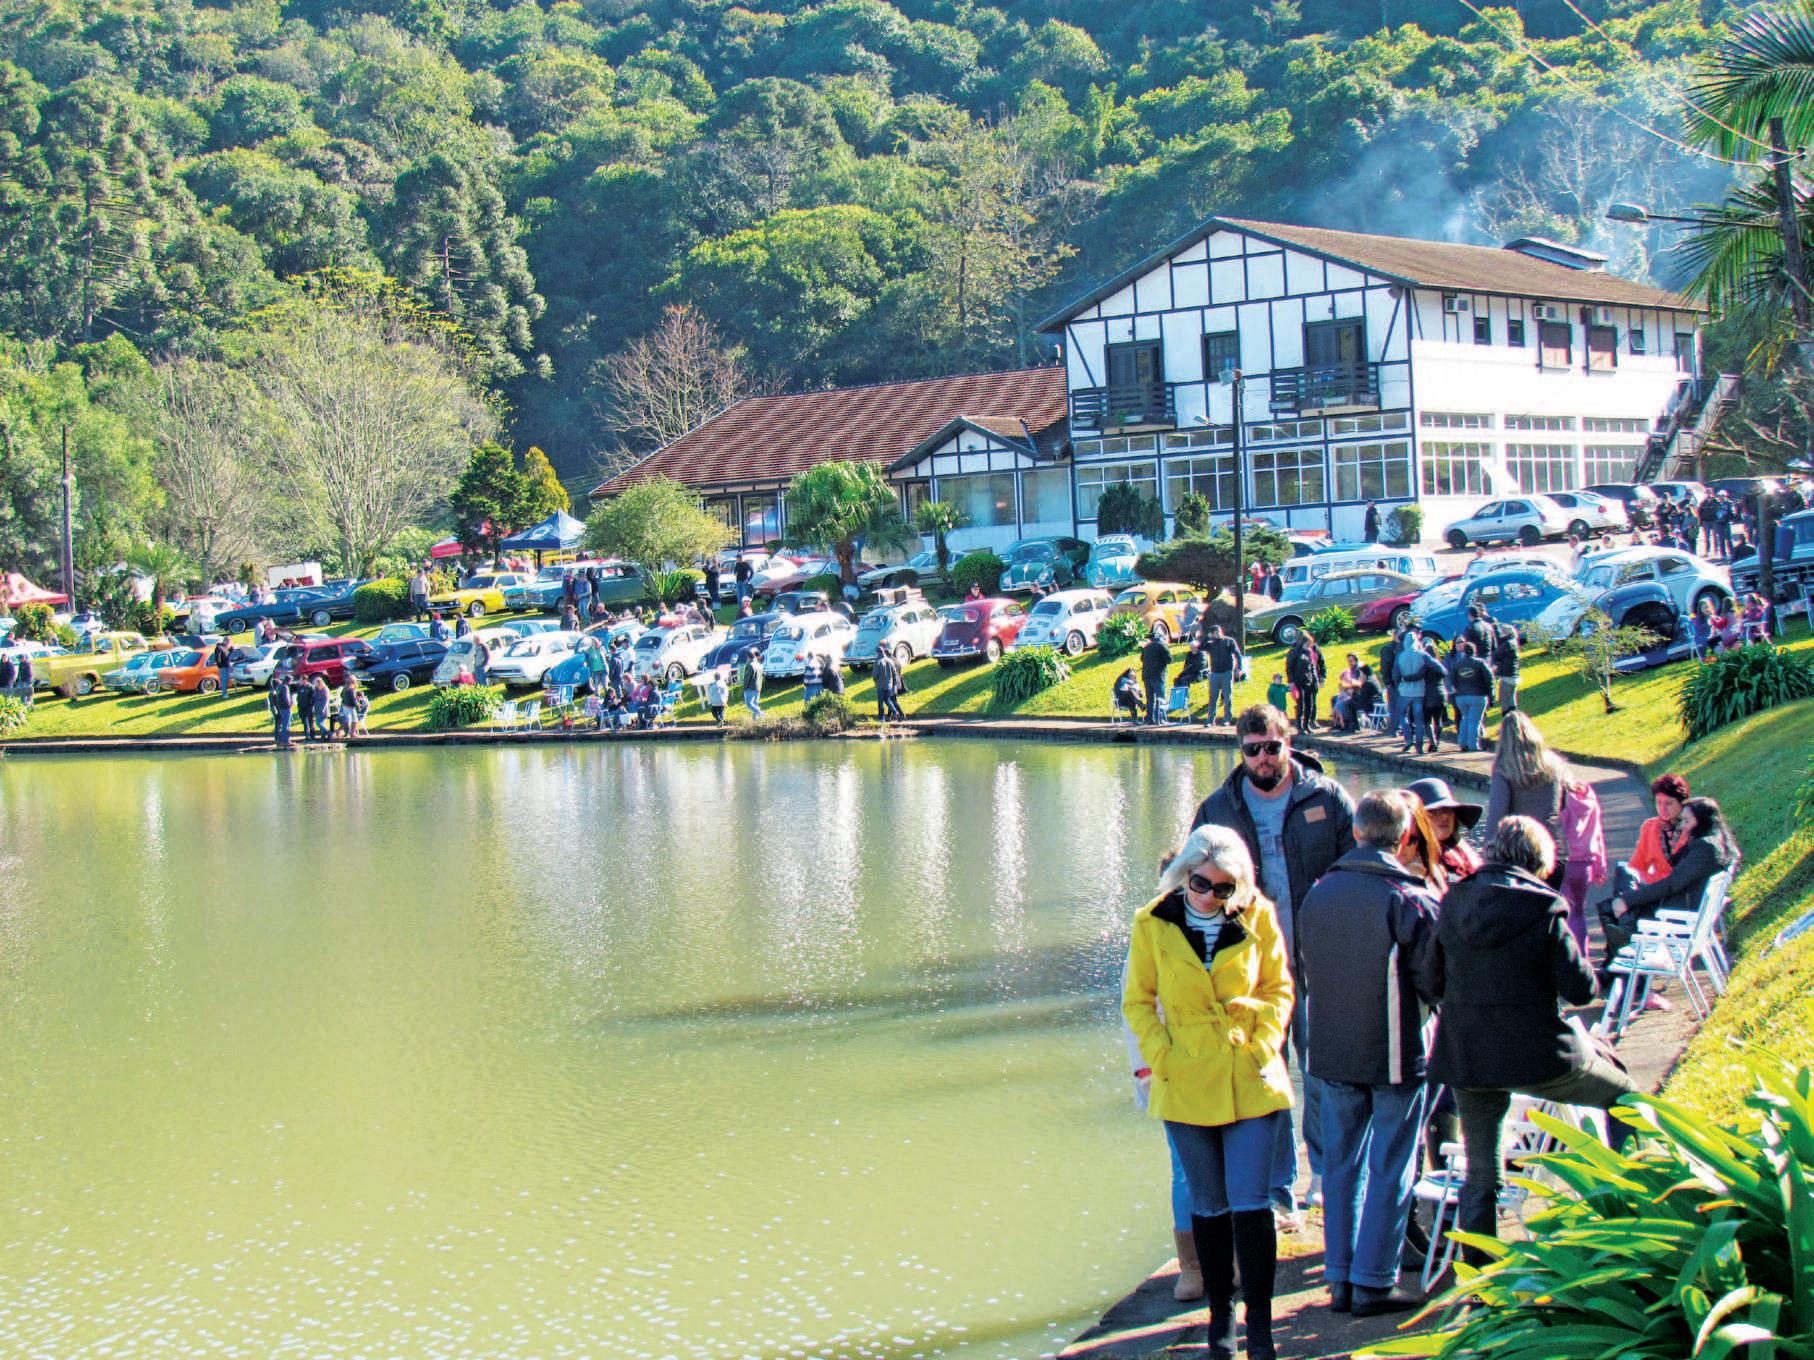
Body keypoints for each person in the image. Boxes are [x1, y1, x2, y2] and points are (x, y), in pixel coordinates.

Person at [1420, 816, 1638, 1261]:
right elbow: (1581, 990)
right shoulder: (1544, 906)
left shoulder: (1454, 900)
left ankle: (1479, 1272)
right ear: (1540, 860)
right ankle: (1630, 1209)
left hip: (1469, 1056)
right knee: (1627, 1098)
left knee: (1481, 1173)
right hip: (1538, 1057)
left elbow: (1431, 982)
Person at [1124, 824, 1295, 1360]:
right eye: (1201, 884)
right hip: (1185, 1077)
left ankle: (1260, 1328)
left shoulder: (1257, 915)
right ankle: (1220, 1323)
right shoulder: (1152, 922)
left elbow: (1279, 988)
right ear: (1184, 875)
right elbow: (1137, 1002)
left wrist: (1262, 1044)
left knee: (1252, 1206)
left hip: (1249, 1074)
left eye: (1224, 888)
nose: (1210, 896)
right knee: (1209, 1207)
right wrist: (1163, 1056)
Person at [1189, 704, 1356, 1224]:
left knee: (1324, 1069)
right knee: (1265, 1073)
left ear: (1289, 743)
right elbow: (1193, 888)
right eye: (1253, 749)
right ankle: (1278, 1188)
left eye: (1272, 747)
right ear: (1240, 750)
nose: (1263, 758)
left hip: (1321, 958)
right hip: (1253, 968)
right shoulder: (1219, 808)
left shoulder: (1326, 797)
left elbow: (1360, 868)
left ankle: (1327, 1174)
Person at [1297, 791, 1439, 1317]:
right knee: (1392, 1163)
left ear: (1356, 832)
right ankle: (1375, 1281)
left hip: (1331, 1047)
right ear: (1404, 839)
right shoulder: (1409, 898)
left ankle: (1339, 1277)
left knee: (1340, 1164)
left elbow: (1305, 969)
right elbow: (1434, 980)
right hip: (1393, 1049)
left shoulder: (1318, 893)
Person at [1599, 797, 1739, 957]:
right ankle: (1624, 930)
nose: (1682, 826)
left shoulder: (1705, 848)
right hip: (1688, 904)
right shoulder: (1716, 842)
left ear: (1702, 821)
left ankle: (1625, 932)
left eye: (1687, 821)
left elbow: (1672, 884)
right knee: (1625, 874)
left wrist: (1627, 900)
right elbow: (1672, 868)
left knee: (1615, 902)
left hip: (1680, 912)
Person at [1484, 711, 1569, 888]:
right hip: (1552, 850)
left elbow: (1497, 814)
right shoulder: (1552, 765)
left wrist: (1487, 856)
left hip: (1518, 855)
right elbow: (1561, 805)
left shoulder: (1504, 768)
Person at [1558, 774, 1608, 951]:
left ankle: (1567, 955)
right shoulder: (1590, 798)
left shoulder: (1562, 799)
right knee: (1578, 913)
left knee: (1562, 914)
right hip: (1586, 864)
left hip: (1564, 862)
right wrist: (1600, 867)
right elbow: (1598, 833)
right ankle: (1582, 954)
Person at [1407, 776, 1483, 881]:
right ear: (1415, 821)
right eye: (1433, 811)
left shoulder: (1460, 849)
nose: (1444, 816)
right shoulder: (1408, 860)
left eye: (1447, 809)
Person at [1392, 630, 1437, 755]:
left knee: (1402, 714)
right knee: (1419, 720)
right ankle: (1419, 746)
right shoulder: (1422, 655)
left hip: (1404, 691)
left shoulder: (1400, 655)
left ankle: (1408, 739)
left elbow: (1395, 675)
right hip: (1419, 691)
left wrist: (1399, 685)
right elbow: (1437, 667)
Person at [1445, 639, 1493, 752]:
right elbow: (1489, 680)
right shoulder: (1480, 663)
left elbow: (1452, 681)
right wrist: (1491, 694)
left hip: (1461, 697)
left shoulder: (1457, 665)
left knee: (1465, 718)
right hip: (1477, 695)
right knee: (1474, 721)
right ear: (1474, 651)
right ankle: (1473, 745)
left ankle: (1462, 743)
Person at [1202, 624, 1243, 726]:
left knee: (1227, 697)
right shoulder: (1210, 643)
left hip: (1226, 673)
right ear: (1212, 634)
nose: (1218, 634)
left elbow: (1238, 655)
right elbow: (1200, 647)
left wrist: (1239, 667)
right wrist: (1207, 637)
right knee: (1212, 698)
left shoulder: (1229, 641)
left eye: (1219, 631)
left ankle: (1227, 719)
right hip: (1214, 674)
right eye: (1215, 632)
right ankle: (1210, 720)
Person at [1285, 635, 1323, 735]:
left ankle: (1306, 725)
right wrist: (1291, 682)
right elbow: (1289, 668)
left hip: (1309, 681)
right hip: (1298, 682)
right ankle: (1299, 726)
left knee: (1309, 704)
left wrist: (1315, 680)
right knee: (1300, 705)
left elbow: (1312, 667)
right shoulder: (1294, 653)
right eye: (1308, 643)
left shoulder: (1309, 652)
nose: (1309, 645)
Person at [1489, 616, 1522, 711]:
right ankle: (1514, 714)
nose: (1500, 633)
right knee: (1511, 697)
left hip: (1507, 675)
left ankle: (1508, 715)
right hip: (1513, 674)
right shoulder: (1513, 642)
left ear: (1506, 632)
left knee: (1504, 699)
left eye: (1502, 631)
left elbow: (1496, 655)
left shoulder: (1507, 644)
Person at [1141, 625, 1171, 724]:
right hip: (1158, 675)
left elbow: (1142, 659)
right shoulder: (1162, 646)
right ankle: (1160, 718)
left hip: (1146, 675)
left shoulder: (1146, 647)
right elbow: (1169, 660)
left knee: (1150, 699)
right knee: (1160, 698)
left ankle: (1149, 718)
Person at [1329, 653, 1363, 731]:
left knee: (1343, 702)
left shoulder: (1358, 670)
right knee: (1334, 698)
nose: (1349, 663)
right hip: (1348, 692)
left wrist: (1347, 688)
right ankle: (1338, 723)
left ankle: (1345, 724)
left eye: (1351, 661)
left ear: (1356, 660)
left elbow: (1357, 685)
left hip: (1356, 694)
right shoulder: (1351, 670)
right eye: (1348, 661)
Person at [267, 674, 294, 750]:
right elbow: (286, 698)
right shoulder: (285, 687)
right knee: (286, 724)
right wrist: (290, 704)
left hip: (281, 708)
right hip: (286, 708)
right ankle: (285, 740)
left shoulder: (279, 687)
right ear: (289, 681)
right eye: (291, 681)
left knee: (284, 724)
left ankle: (280, 740)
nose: (291, 682)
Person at [741, 650, 764, 719]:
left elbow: (747, 678)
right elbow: (761, 677)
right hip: (758, 687)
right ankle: (755, 720)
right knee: (755, 704)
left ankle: (761, 713)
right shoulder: (760, 665)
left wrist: (745, 688)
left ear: (748, 657)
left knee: (749, 704)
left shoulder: (750, 665)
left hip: (751, 687)